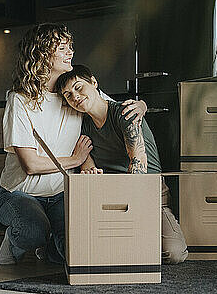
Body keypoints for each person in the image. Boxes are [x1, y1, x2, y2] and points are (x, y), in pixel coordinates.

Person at [0, 23, 148, 265]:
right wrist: (76, 160)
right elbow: (31, 165)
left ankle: (48, 242)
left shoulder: (74, 92)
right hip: (19, 193)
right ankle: (15, 241)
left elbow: (111, 106)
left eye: (70, 47)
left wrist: (141, 105)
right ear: (43, 53)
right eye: (63, 47)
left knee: (76, 250)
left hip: (61, 194)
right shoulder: (19, 100)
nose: (71, 53)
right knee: (32, 232)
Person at [55, 64, 188, 264]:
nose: (74, 96)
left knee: (174, 253)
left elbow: (138, 161)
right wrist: (91, 176)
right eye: (68, 95)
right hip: (109, 195)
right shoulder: (82, 126)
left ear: (93, 82)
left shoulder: (125, 113)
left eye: (79, 87)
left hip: (146, 191)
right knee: (85, 249)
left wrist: (129, 212)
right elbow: (87, 165)